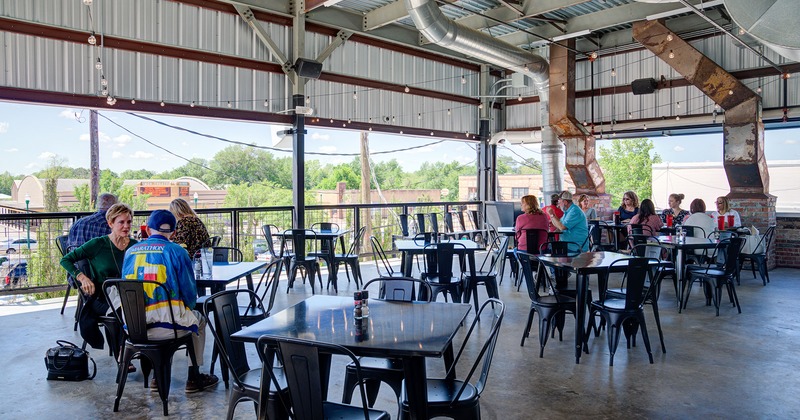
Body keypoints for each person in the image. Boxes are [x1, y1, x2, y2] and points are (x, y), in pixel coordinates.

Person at [121, 210, 218, 393]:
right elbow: (190, 295)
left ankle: (158, 376)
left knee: (172, 315)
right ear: (173, 233)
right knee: (199, 321)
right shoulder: (177, 251)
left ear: (148, 231)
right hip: (168, 329)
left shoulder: (130, 252)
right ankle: (194, 377)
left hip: (135, 329)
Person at [60, 203, 137, 363]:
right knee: (125, 311)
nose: (126, 226)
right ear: (110, 223)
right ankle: (123, 353)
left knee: (141, 308)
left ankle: (138, 350)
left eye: (129, 222)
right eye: (121, 222)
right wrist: (81, 277)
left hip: (127, 293)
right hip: (101, 297)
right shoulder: (98, 244)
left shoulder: (134, 246)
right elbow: (66, 260)